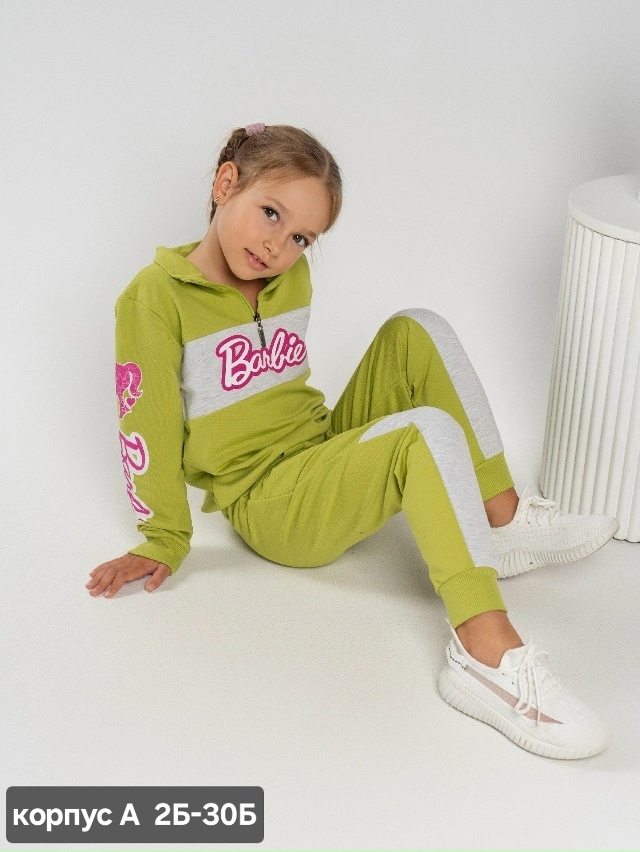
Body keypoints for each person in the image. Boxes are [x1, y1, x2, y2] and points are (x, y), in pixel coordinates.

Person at [87, 123, 619, 759]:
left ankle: (498, 523)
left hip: (318, 449)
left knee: (416, 329)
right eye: (271, 213)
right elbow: (144, 421)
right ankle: (484, 654)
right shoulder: (153, 299)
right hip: (270, 503)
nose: (278, 247)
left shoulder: (289, 279)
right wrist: (164, 538)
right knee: (422, 434)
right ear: (226, 183)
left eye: (301, 238)